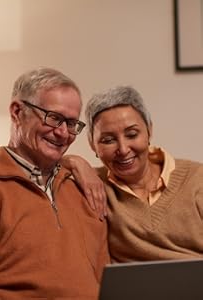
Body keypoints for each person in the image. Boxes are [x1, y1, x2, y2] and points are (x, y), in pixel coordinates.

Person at [0, 67, 109, 299]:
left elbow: (108, 284)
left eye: (71, 123)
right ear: (17, 112)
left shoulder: (83, 186)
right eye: (54, 118)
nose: (62, 133)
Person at [63, 85, 203, 263]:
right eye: (108, 140)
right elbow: (36, 166)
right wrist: (73, 161)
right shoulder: (93, 186)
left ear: (149, 131)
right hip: (132, 290)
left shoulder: (197, 179)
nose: (123, 149)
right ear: (92, 145)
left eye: (131, 134)